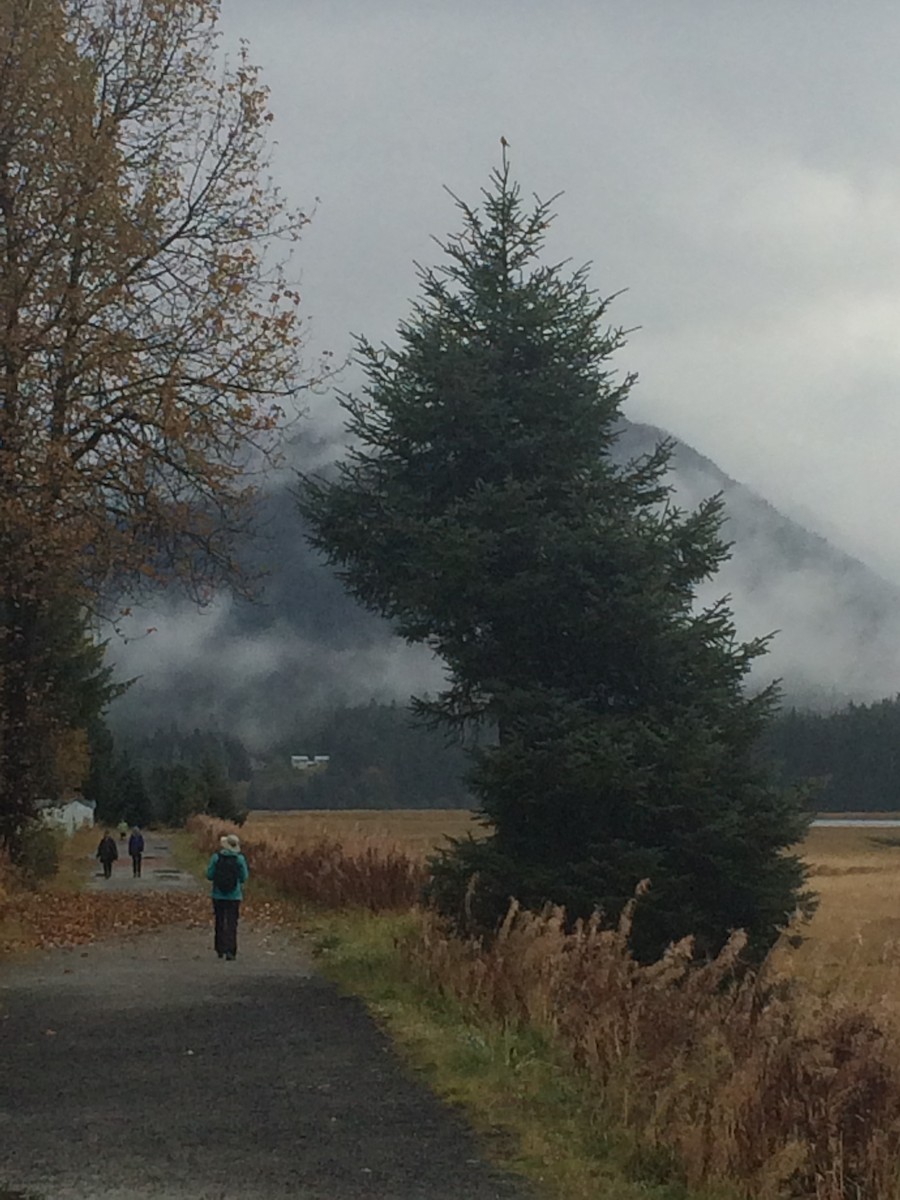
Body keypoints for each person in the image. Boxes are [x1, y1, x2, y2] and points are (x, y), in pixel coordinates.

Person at [206, 834, 249, 961]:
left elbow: (209, 875)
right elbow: (244, 877)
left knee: (219, 921)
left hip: (218, 895)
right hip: (234, 896)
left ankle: (220, 948)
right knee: (232, 923)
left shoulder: (216, 857)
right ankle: (231, 951)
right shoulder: (239, 859)